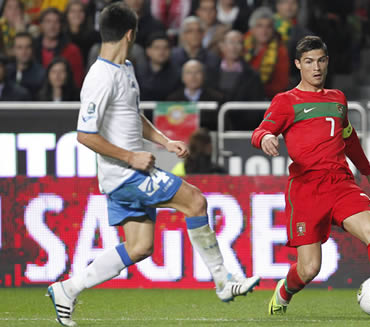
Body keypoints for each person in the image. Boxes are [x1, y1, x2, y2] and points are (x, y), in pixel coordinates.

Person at [46, 4, 259, 327]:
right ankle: (223, 280)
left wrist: (164, 142)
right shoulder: (100, 77)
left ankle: (67, 289)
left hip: (129, 173)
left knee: (140, 247)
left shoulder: (126, 68)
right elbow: (85, 135)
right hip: (126, 173)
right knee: (195, 201)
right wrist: (132, 157)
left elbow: (134, 116)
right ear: (131, 34)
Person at [251, 35, 370, 317]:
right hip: (306, 190)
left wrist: (369, 174)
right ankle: (284, 291)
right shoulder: (286, 101)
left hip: (341, 184)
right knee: (309, 268)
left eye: (320, 60)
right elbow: (259, 131)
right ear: (298, 65)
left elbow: (349, 140)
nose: (316, 67)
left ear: (327, 62)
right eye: (308, 62)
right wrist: (266, 137)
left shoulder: (338, 99)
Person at [244, 6, 289, 99]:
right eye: (260, 26)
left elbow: (281, 84)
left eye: (268, 27)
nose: (264, 31)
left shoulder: (281, 51)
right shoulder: (243, 45)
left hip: (267, 99)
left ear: (273, 30)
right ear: (252, 29)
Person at [167, 59, 224, 131]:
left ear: (204, 76)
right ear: (182, 77)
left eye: (197, 72)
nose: (193, 77)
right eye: (189, 73)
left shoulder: (216, 98)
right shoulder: (172, 100)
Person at [34, 7, 85, 88]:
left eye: (56, 22)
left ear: (61, 25)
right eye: (48, 21)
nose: (52, 26)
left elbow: (78, 80)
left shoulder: (72, 50)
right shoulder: (31, 48)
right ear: (41, 24)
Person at [137, 31, 181, 101]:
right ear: (148, 51)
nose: (161, 51)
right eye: (157, 48)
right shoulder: (137, 72)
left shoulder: (178, 73)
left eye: (165, 48)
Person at [6, 32, 45, 98]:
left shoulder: (42, 74)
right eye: (19, 47)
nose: (24, 51)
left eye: (28, 47)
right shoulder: (6, 72)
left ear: (32, 49)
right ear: (13, 50)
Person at [64, 0, 100, 65]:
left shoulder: (95, 36)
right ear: (66, 14)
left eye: (80, 11)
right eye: (73, 11)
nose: (77, 14)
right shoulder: (60, 36)